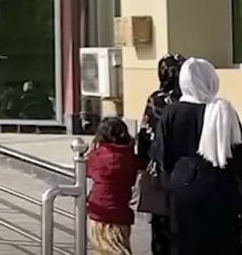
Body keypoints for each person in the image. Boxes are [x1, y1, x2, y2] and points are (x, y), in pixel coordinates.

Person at [151, 57, 242, 255]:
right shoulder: (225, 111)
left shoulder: (171, 113)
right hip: (221, 190)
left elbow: (162, 157)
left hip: (182, 190)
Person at [136, 53, 186, 255]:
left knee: (161, 224)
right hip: (189, 172)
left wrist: (142, 164)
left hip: (162, 171)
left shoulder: (157, 100)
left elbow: (145, 135)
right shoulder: (194, 98)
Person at [86, 117, 139, 254]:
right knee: (121, 247)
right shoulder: (129, 155)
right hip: (121, 211)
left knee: (104, 250)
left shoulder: (98, 155)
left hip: (100, 210)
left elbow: (87, 171)